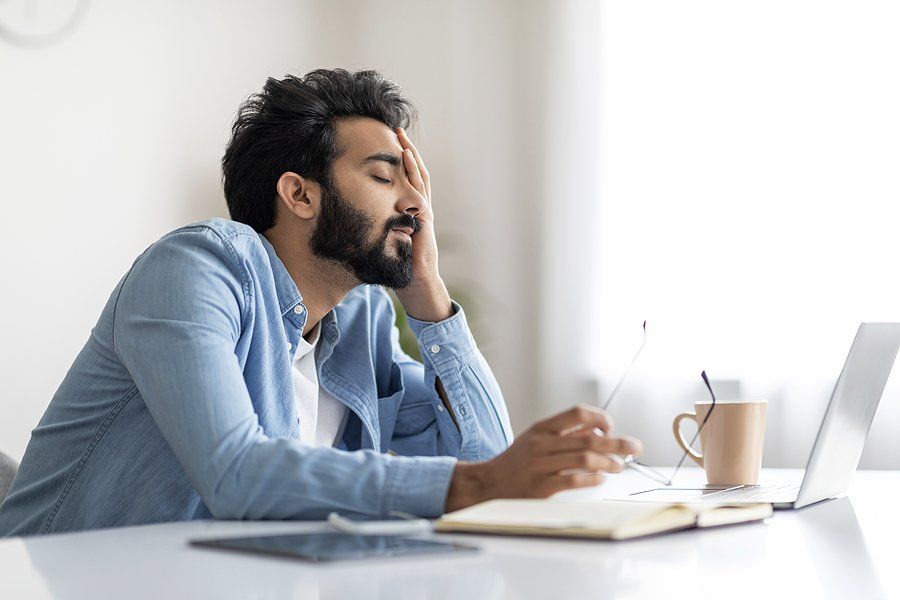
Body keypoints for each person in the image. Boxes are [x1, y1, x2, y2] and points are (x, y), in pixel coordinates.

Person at [0, 69, 642, 537]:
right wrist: (476, 485)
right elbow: (236, 474)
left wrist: (429, 299)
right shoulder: (197, 268)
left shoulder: (361, 318)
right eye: (385, 177)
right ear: (299, 195)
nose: (414, 205)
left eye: (413, 185)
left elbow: (485, 465)